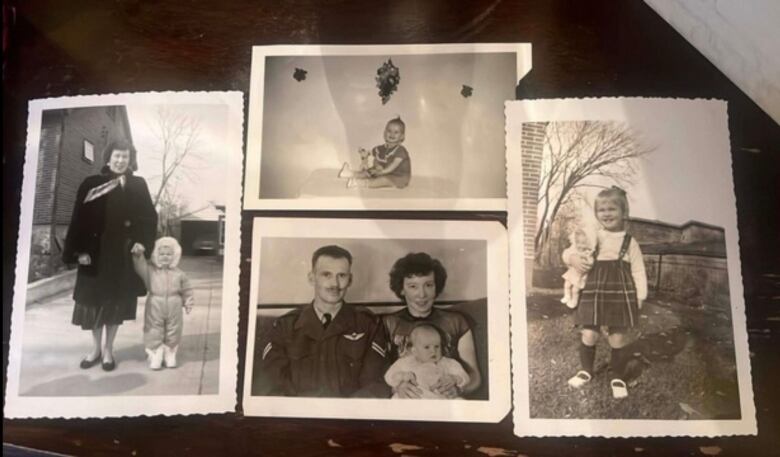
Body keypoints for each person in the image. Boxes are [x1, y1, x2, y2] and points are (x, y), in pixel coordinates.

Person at [62, 139, 158, 371]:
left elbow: (149, 218)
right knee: (93, 303)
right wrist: (79, 251)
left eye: (125, 156)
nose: (120, 160)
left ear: (130, 159)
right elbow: (79, 219)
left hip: (122, 254)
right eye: (117, 156)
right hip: (94, 253)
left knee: (115, 303)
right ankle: (95, 348)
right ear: (108, 158)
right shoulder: (91, 184)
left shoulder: (137, 185)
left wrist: (142, 243)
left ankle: (108, 350)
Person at [256, 245, 390, 397]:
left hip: (348, 415)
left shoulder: (368, 325)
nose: (334, 284)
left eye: (342, 275)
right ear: (312, 278)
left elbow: (376, 384)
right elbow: (272, 385)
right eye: (326, 275)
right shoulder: (285, 327)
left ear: (350, 280)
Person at [565, 186, 647, 399]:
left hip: (620, 293)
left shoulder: (630, 242)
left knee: (617, 338)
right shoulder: (593, 236)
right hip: (594, 289)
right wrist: (572, 258)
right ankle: (585, 371)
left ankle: (617, 376)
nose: (607, 213)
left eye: (612, 209)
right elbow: (570, 251)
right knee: (589, 333)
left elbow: (638, 270)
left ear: (624, 212)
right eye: (602, 210)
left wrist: (640, 297)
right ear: (596, 213)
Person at [382, 252, 482, 399]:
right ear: (402, 289)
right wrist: (396, 389)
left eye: (428, 285)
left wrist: (459, 390)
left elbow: (475, 377)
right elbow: (377, 377)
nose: (422, 294)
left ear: (437, 286)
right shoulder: (388, 324)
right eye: (413, 286)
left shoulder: (457, 322)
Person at [131, 237, 194, 370]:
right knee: (153, 329)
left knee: (174, 329)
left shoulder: (180, 274)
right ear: (156, 255)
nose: (165, 257)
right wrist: (139, 255)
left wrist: (188, 300)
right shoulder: (150, 271)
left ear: (175, 256)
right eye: (162, 254)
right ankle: (155, 353)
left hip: (174, 304)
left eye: (169, 254)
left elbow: (187, 289)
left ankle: (170, 352)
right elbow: (140, 266)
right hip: (155, 303)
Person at [384, 324, 470, 399]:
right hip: (414, 399)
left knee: (460, 402)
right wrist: (401, 376)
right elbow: (389, 376)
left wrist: (455, 379)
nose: (433, 351)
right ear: (415, 351)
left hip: (439, 400)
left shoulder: (448, 363)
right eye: (427, 347)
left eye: (437, 346)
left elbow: (464, 376)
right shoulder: (406, 362)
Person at [337, 117, 412, 189]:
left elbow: (393, 165)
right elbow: (371, 152)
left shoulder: (400, 151)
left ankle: (360, 183)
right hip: (384, 171)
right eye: (389, 131)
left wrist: (382, 171)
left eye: (396, 132)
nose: (392, 134)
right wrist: (365, 154)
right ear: (385, 133)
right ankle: (351, 174)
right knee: (370, 171)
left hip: (399, 177)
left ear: (402, 136)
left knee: (383, 180)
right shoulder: (382, 148)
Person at [560, 228, 593, 309]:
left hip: (580, 275)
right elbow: (567, 254)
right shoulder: (574, 250)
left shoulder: (587, 253)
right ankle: (567, 296)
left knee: (575, 290)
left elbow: (591, 262)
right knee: (567, 285)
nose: (581, 246)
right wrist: (572, 258)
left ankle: (574, 301)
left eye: (583, 243)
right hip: (572, 272)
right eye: (578, 243)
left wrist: (587, 260)